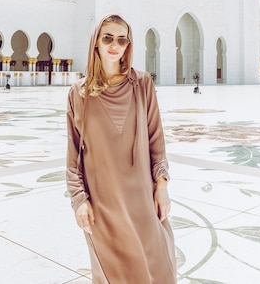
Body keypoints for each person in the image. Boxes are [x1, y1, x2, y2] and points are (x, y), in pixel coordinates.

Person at [66, 14, 177, 283]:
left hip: (142, 196)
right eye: (108, 38)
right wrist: (79, 199)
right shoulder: (79, 93)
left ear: (129, 45)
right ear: (96, 43)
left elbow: (155, 140)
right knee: (114, 273)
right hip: (103, 203)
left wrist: (161, 186)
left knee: (157, 264)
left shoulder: (142, 84)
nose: (114, 45)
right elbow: (73, 155)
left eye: (122, 39)